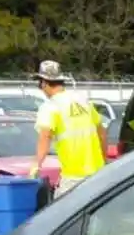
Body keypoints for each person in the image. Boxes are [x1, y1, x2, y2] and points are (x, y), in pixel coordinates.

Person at [28, 60, 106, 196]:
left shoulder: (50, 107)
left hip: (74, 176)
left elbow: (45, 137)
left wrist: (36, 165)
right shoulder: (83, 100)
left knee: (61, 213)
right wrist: (104, 161)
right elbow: (102, 133)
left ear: (44, 83)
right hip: (98, 174)